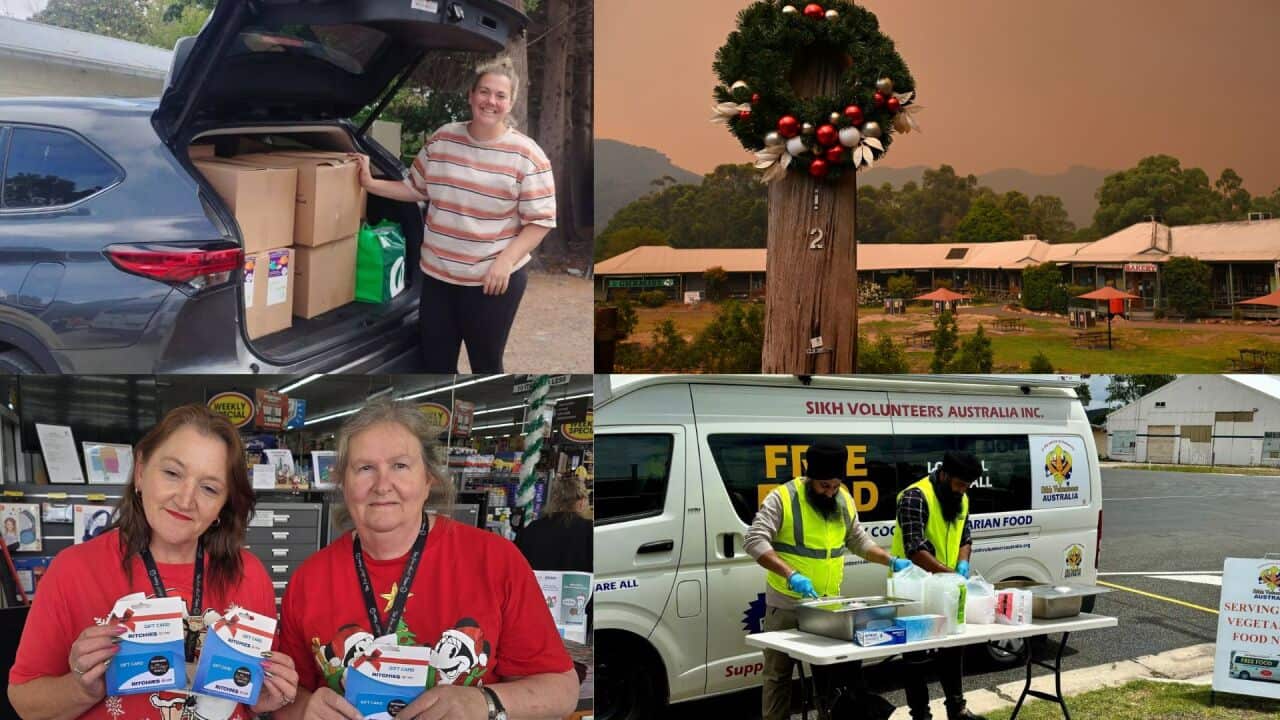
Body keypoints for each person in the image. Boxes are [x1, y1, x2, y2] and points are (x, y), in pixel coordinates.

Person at [274, 400, 578, 720]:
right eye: (365, 468)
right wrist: (304, 709)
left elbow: (562, 689)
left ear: (428, 479)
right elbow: (283, 697)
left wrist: (484, 702)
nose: (382, 485)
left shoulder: (495, 560)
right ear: (342, 482)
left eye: (400, 466)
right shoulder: (309, 580)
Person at [8, 404, 299, 720]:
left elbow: (253, 694)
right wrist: (81, 689)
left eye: (209, 488)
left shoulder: (248, 575)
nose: (185, 500)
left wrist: (264, 700)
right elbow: (25, 702)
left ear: (223, 504)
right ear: (141, 471)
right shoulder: (73, 571)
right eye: (172, 473)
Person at [352, 56, 556, 374]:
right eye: (484, 92)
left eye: (500, 95)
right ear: (471, 95)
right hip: (438, 278)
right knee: (436, 365)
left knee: (485, 366)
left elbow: (540, 221)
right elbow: (415, 188)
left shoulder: (527, 155)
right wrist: (369, 183)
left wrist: (505, 262)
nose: (490, 101)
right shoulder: (443, 139)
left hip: (491, 282)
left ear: (511, 102)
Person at [745, 439, 905, 720]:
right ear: (810, 477)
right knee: (778, 675)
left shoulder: (843, 499)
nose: (830, 491)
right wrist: (791, 575)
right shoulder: (782, 498)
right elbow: (754, 540)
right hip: (786, 604)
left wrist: (889, 559)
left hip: (826, 606)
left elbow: (858, 540)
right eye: (824, 486)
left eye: (835, 485)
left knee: (830, 675)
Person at [891, 450, 985, 720]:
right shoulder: (915, 496)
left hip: (946, 587)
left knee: (954, 647)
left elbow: (965, 538)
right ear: (943, 474)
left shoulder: (962, 498)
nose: (962, 490)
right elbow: (914, 548)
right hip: (913, 588)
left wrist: (962, 564)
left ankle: (957, 709)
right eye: (959, 484)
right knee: (915, 655)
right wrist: (950, 575)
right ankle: (920, 714)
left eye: (967, 486)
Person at [514, 473, 592, 574]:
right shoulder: (589, 530)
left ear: (554, 500)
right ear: (581, 502)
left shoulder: (533, 528)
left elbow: (516, 564)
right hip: (577, 583)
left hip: (536, 583)